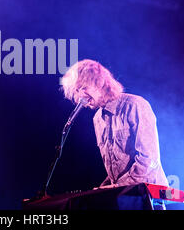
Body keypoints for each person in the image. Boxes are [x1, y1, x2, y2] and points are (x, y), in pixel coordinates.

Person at [61, 59, 168, 189]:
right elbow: (117, 167)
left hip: (149, 192)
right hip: (124, 193)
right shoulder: (97, 119)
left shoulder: (135, 105)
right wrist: (104, 188)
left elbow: (149, 159)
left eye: (83, 88)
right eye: (76, 91)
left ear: (99, 82)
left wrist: (118, 187)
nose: (80, 97)